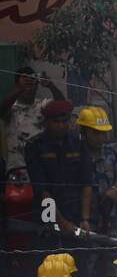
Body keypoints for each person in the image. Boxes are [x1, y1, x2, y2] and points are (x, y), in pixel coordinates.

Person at [23, 99, 82, 236]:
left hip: (75, 213)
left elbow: (86, 180)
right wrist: (61, 221)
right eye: (56, 122)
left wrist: (85, 218)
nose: (61, 126)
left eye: (65, 121)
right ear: (46, 122)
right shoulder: (35, 146)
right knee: (50, 255)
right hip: (47, 214)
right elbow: (41, 189)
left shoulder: (77, 143)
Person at [77, 104, 117, 242]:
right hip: (86, 224)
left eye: (103, 133)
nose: (100, 138)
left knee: (113, 260)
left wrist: (115, 188)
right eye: (95, 133)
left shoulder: (112, 154)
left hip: (111, 221)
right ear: (84, 132)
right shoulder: (75, 156)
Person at [1, 66, 60, 174]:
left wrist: (51, 86)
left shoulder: (42, 105)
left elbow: (61, 107)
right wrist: (19, 89)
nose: (29, 89)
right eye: (25, 85)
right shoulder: (12, 107)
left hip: (43, 169)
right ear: (17, 86)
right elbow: (2, 110)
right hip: (17, 170)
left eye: (32, 84)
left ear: (37, 85)